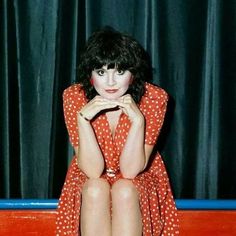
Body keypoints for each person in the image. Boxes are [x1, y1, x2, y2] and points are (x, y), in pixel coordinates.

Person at [56, 28, 179, 236]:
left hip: (138, 176)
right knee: (95, 188)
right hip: (90, 177)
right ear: (91, 74)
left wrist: (138, 120)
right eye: (101, 72)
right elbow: (92, 172)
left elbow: (131, 171)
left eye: (120, 72)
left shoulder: (154, 98)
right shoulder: (74, 96)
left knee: (124, 189)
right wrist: (83, 120)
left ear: (132, 75)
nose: (110, 82)